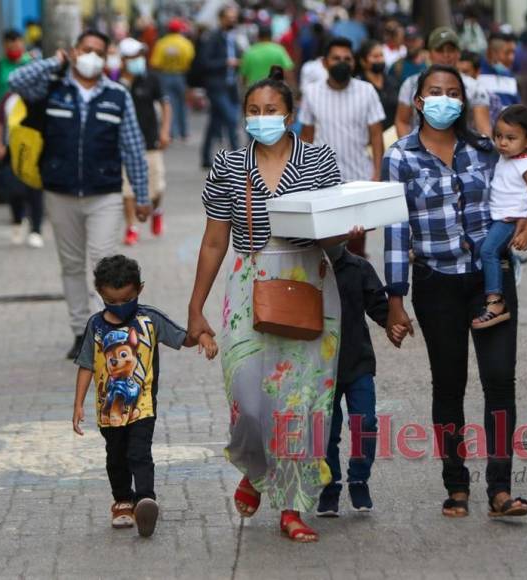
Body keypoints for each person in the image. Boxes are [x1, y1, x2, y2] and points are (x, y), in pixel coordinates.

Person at [187, 67, 363, 543]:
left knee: (300, 404)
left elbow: (332, 235)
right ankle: (256, 465)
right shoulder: (227, 165)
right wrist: (195, 307)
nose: (262, 119)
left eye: (272, 111)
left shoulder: (320, 160)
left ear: (290, 114)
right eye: (254, 111)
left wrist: (347, 232)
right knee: (247, 400)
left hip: (309, 283)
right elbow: (212, 242)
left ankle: (293, 506)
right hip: (247, 284)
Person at [384, 65, 527, 519]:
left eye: (453, 92)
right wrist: (395, 298)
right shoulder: (400, 157)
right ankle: (456, 483)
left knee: (500, 381)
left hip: (491, 284)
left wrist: (524, 225)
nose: (444, 99)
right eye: (434, 92)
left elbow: (517, 196)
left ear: (463, 101)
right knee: (449, 384)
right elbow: (395, 230)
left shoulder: (487, 152)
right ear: (419, 100)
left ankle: (501, 488)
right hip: (435, 284)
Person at [9, 29, 151, 360]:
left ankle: (112, 329)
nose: (92, 57)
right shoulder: (52, 89)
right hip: (60, 192)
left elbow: (132, 147)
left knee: (106, 264)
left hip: (104, 193)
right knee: (71, 265)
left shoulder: (118, 96)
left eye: (99, 53)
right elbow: (16, 81)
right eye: (86, 50)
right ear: (74, 51)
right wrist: (55, 62)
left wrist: (142, 195)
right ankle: (80, 332)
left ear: (106, 58)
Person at [72, 255, 215, 537]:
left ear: (140, 289)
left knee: (139, 453)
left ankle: (145, 499)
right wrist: (78, 404)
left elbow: (181, 338)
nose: (119, 306)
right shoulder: (95, 326)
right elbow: (87, 364)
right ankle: (123, 501)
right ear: (100, 293)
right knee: (115, 457)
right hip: (107, 411)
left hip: (143, 406)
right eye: (111, 301)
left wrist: (202, 337)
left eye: (126, 298)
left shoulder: (150, 320)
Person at [315, 242, 396, 517]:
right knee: (327, 430)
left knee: (366, 422)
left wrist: (393, 323)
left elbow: (379, 306)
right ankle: (330, 486)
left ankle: (359, 478)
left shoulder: (359, 267)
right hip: (322, 368)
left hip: (358, 362)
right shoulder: (308, 267)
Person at [300, 37, 385, 258]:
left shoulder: (367, 91)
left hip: (359, 179)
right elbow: (306, 137)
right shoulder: (311, 93)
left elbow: (377, 135)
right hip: (322, 181)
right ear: (325, 63)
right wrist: (300, 176)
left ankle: (353, 291)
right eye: (336, 58)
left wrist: (377, 173)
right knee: (324, 246)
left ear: (354, 63)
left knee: (356, 247)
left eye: (347, 59)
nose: (342, 63)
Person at [472, 105, 527, 330]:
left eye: (511, 138)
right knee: (486, 250)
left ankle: (496, 303)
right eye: (498, 136)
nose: (502, 142)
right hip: (499, 217)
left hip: (510, 220)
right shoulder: (506, 158)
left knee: (488, 251)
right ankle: (511, 263)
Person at [0, 29, 44, 247]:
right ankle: (18, 220)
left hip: (32, 136)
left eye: (17, 42)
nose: (14, 46)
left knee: (35, 184)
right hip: (8, 132)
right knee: (12, 185)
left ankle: (36, 228)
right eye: (9, 43)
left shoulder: (34, 64)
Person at [118, 37, 172, 246]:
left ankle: (157, 210)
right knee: (127, 189)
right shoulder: (117, 84)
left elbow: (166, 105)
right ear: (124, 59)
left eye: (141, 55)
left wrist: (165, 131)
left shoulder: (152, 79)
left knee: (156, 187)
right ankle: (131, 227)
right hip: (126, 146)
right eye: (134, 56)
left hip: (151, 142)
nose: (139, 60)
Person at [395, 27, 491, 138]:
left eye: (451, 50)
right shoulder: (411, 84)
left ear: (458, 53)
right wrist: (407, 151)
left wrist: (483, 150)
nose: (446, 55)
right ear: (429, 54)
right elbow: (402, 121)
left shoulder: (475, 87)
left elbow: (483, 127)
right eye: (440, 50)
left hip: (463, 150)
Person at [199, 6, 243, 169]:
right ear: (221, 18)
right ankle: (238, 160)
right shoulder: (213, 37)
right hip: (217, 87)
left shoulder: (233, 37)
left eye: (234, 17)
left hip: (231, 86)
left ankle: (205, 157)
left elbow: (238, 56)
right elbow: (205, 62)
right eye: (229, 17)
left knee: (214, 124)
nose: (233, 20)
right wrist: (225, 62)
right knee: (232, 119)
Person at [150, 18, 195, 141]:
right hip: (180, 75)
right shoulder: (185, 43)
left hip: (165, 75)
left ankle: (171, 132)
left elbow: (155, 62)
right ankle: (184, 132)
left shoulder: (162, 43)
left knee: (169, 104)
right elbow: (190, 59)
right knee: (182, 104)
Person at [356, 39, 399, 132]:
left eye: (381, 55)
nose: (380, 59)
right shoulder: (358, 85)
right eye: (375, 56)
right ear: (363, 61)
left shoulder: (392, 81)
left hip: (394, 137)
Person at [479, 32, 520, 124]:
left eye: (513, 52)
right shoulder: (477, 75)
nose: (511, 58)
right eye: (507, 53)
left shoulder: (510, 77)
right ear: (491, 52)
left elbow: (518, 110)